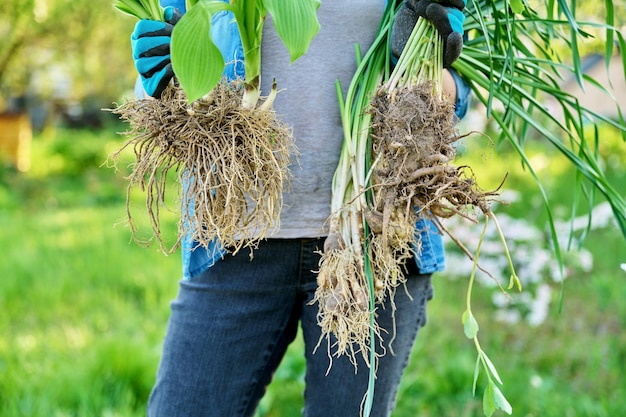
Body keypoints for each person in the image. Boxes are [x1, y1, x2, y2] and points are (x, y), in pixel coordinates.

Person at [130, 0, 471, 415]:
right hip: (235, 236)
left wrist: (427, 66)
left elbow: (458, 92)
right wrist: (157, 75)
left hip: (374, 238)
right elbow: (160, 84)